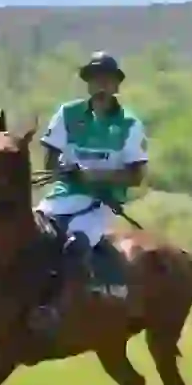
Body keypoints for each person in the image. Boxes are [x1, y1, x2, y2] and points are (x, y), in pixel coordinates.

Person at [32, 51, 148, 332]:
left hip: (100, 204)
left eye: (107, 81)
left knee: (75, 245)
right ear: (88, 84)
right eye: (95, 80)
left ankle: (58, 312)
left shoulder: (129, 124)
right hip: (59, 197)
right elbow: (50, 159)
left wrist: (93, 175)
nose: (101, 86)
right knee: (23, 238)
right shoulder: (68, 114)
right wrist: (65, 167)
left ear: (116, 85)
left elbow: (136, 176)